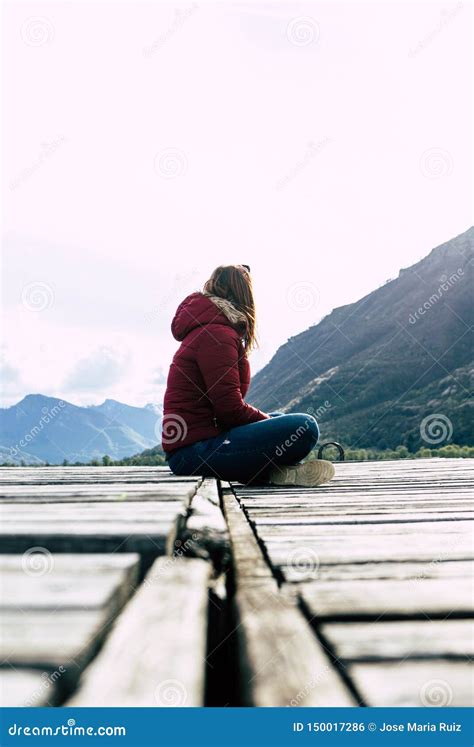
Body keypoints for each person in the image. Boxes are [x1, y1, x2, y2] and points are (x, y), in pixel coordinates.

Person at [161, 264, 335, 486]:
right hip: (194, 452)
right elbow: (230, 409)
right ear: (244, 294)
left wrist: (267, 423)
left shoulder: (209, 330)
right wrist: (266, 425)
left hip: (194, 446)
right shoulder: (217, 336)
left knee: (280, 418)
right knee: (305, 427)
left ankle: (273, 472)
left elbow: (225, 411)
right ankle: (272, 471)